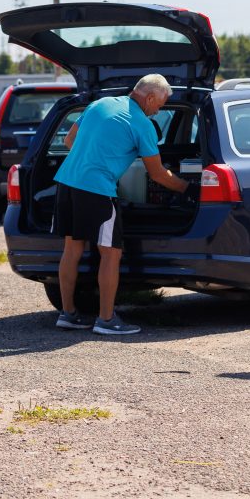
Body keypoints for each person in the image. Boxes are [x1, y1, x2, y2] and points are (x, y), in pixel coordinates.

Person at [53, 73, 190, 335]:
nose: (158, 111)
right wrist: (188, 188)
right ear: (149, 97)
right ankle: (106, 320)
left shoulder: (100, 104)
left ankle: (68, 314)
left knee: (72, 249)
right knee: (111, 253)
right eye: (159, 105)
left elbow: (69, 140)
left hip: (66, 182)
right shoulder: (142, 125)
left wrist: (92, 159)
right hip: (97, 190)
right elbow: (158, 174)